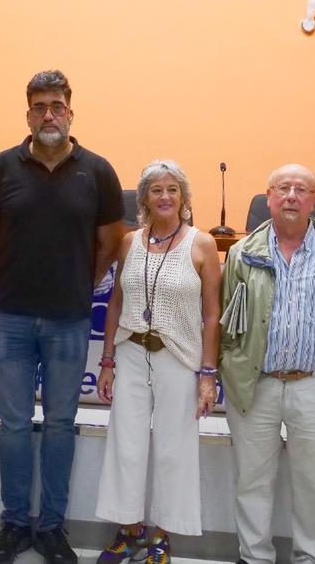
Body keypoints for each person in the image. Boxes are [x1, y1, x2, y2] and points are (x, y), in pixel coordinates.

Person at [0, 69, 124, 564]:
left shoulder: (97, 171)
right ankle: (16, 525)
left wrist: (77, 285)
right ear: (28, 114)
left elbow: (108, 242)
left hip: (68, 319)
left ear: (70, 111)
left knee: (61, 424)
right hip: (12, 318)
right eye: (39, 106)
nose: (48, 114)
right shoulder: (1, 167)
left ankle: (54, 528)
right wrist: (15, 281)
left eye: (56, 105)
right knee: (14, 426)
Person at [219, 163, 315, 564]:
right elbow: (224, 324)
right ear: (267, 197)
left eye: (301, 190)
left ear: (313, 201)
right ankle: (254, 558)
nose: (291, 196)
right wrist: (230, 371)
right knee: (251, 482)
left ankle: (311, 559)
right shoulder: (241, 255)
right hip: (256, 385)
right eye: (282, 188)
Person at [93, 160, 221, 564]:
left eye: (172, 190)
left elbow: (211, 315)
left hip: (179, 357)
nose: (164, 197)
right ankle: (128, 531)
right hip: (131, 353)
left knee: (172, 449)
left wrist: (207, 374)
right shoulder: (130, 242)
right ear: (144, 198)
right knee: (125, 445)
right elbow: (116, 302)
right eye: (156, 190)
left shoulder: (202, 245)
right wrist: (107, 360)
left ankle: (161, 538)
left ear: (183, 197)